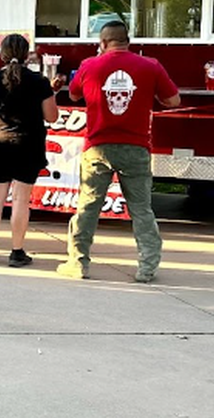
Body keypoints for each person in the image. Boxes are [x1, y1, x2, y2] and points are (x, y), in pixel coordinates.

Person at [57, 20, 180, 283]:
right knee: (141, 210)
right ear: (128, 41)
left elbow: (75, 95)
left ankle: (78, 263)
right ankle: (147, 268)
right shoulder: (151, 66)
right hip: (136, 148)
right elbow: (173, 100)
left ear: (102, 43)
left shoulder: (90, 65)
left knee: (88, 207)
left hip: (98, 147)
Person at [0, 34, 57, 267]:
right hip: (28, 144)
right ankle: (16, 251)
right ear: (26, 54)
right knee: (21, 200)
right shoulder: (39, 81)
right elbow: (51, 116)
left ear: (1, 54)